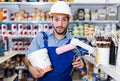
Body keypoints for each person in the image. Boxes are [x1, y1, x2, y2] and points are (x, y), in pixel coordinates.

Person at [24, 1, 85, 81]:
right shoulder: (41, 37)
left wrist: (82, 63)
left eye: (64, 20)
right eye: (56, 19)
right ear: (51, 20)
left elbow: (81, 64)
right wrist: (30, 68)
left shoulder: (74, 42)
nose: (60, 24)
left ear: (69, 20)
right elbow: (26, 58)